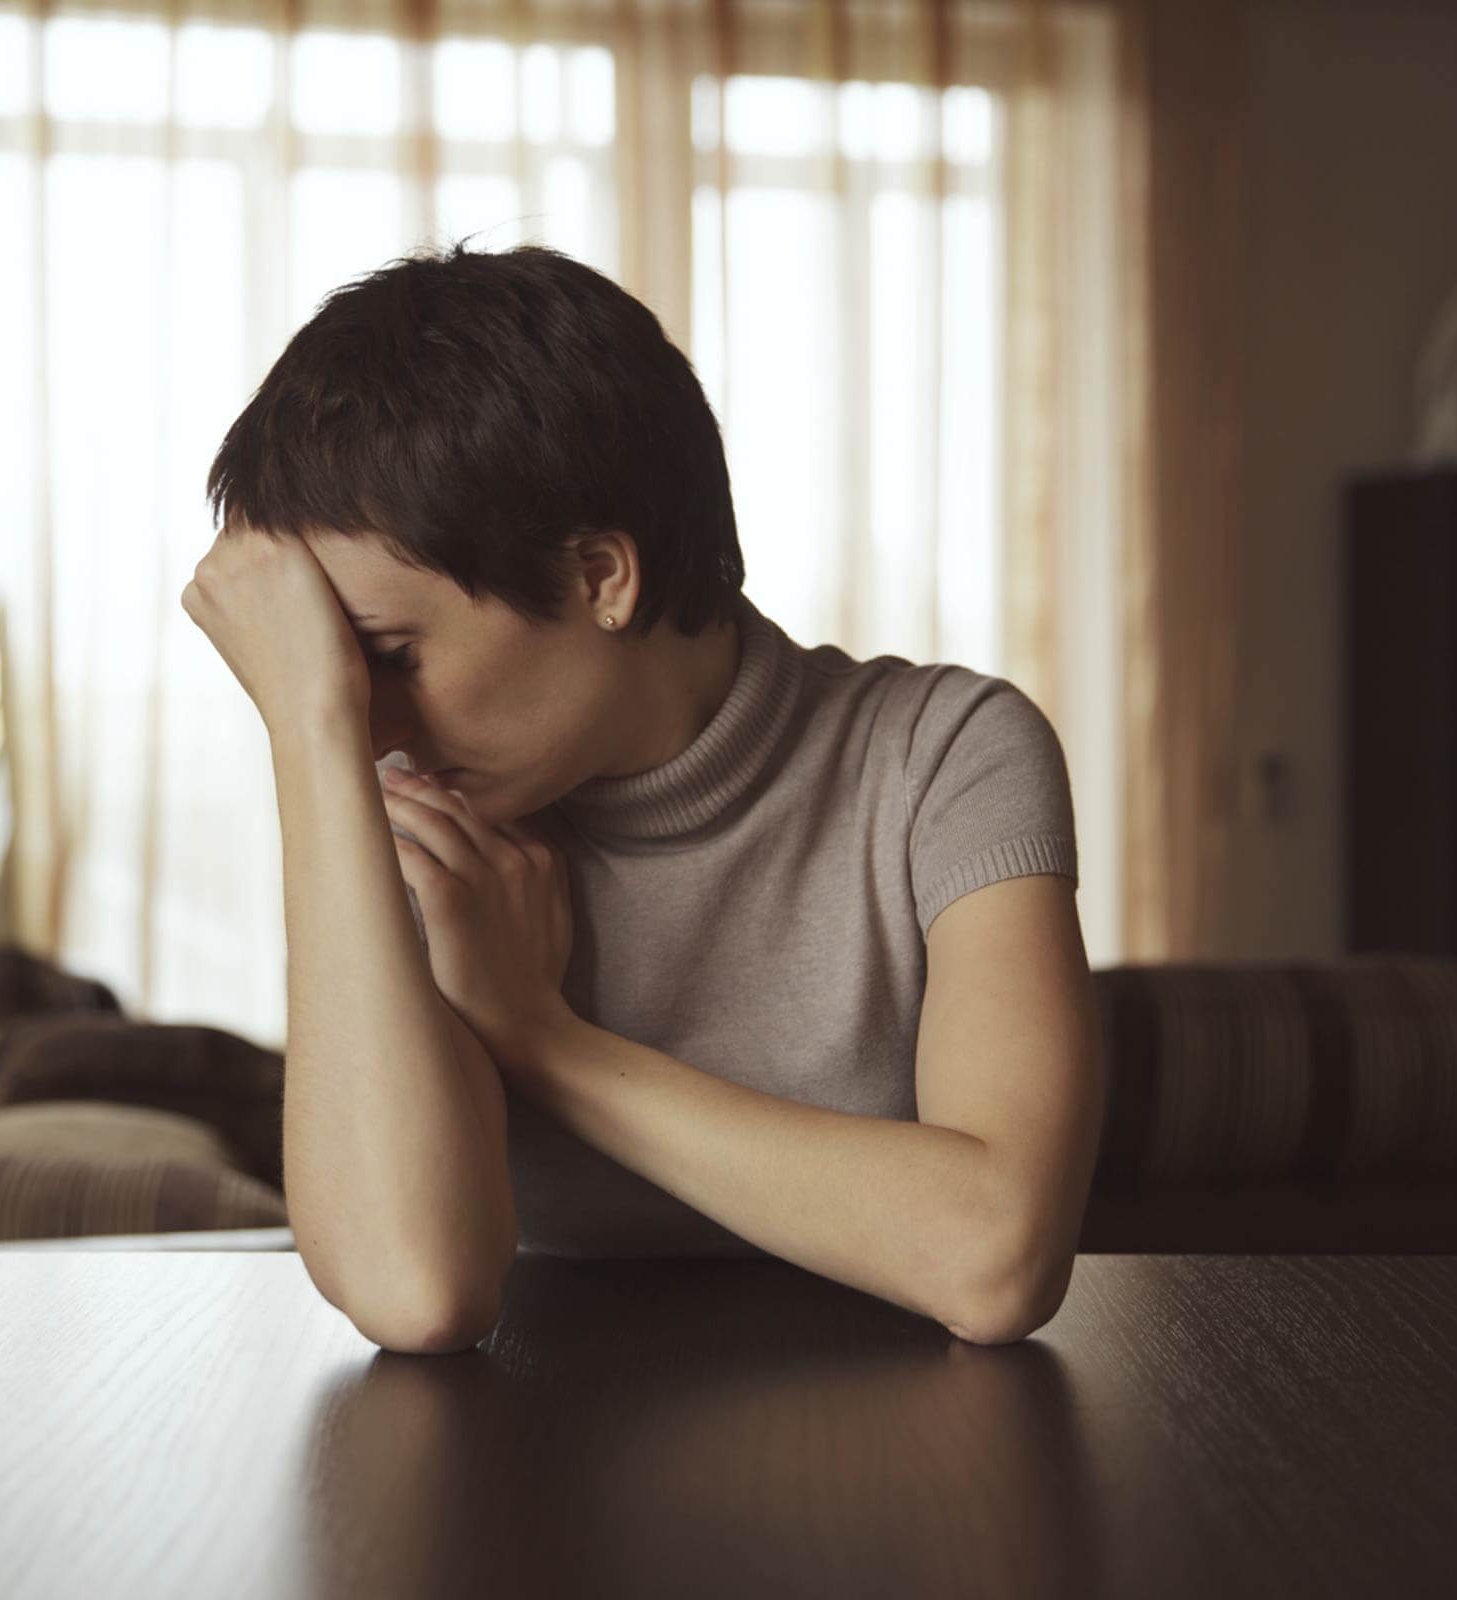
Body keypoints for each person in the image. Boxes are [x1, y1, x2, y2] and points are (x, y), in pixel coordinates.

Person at [181, 241, 1104, 1353]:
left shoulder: (946, 757)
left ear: (600, 578)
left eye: (389, 655)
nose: (373, 725)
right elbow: (415, 1289)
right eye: (339, 672)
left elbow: (997, 1257)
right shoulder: (413, 808)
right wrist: (308, 732)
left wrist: (540, 1037)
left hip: (912, 1440)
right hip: (538, 1442)